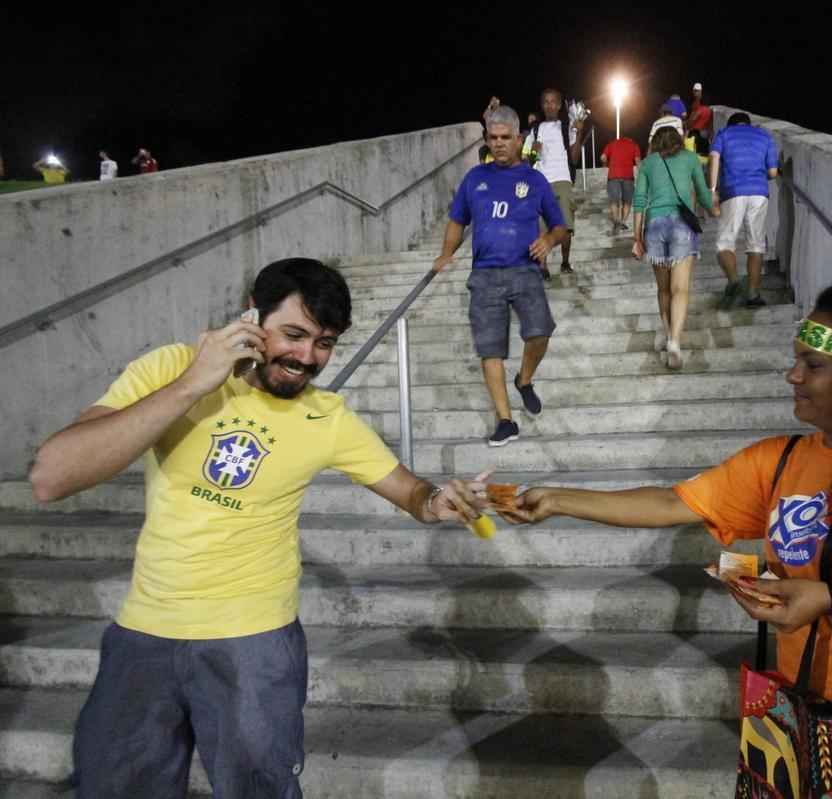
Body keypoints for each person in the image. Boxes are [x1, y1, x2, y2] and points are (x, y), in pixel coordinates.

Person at [503, 281, 832, 768]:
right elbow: (673, 503)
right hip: (805, 734)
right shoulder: (781, 461)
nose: (793, 376)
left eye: (813, 366)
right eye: (795, 360)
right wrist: (558, 499)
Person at [28, 257, 490, 797]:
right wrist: (192, 385)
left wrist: (440, 501)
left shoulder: (327, 416)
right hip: (143, 634)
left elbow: (412, 492)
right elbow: (51, 477)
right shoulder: (171, 367)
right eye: (293, 335)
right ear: (252, 316)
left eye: (324, 343)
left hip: (254, 645)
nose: (306, 358)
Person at [437, 105, 567, 447]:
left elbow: (560, 226)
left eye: (505, 138)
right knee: (490, 349)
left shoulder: (534, 180)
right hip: (484, 275)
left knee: (540, 332)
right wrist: (446, 253)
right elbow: (456, 221)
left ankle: (524, 380)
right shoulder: (474, 179)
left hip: (525, 270)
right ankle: (505, 420)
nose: (498, 144)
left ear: (519, 139)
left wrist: (549, 241)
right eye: (492, 138)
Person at [632, 126, 716, 369]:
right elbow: (701, 192)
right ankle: (675, 342)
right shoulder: (690, 159)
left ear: (655, 142)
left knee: (664, 290)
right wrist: (714, 209)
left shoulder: (648, 163)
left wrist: (636, 237)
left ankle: (668, 332)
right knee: (680, 289)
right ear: (679, 140)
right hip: (681, 226)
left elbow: (639, 201)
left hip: (655, 226)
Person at [709, 112, 780, 310]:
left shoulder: (724, 134)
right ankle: (753, 294)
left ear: (731, 124)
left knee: (724, 243)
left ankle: (734, 281)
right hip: (759, 193)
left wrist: (712, 190)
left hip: (732, 191)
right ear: (749, 124)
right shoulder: (765, 136)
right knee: (756, 245)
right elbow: (773, 173)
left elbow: (714, 158)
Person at [525, 88, 587, 279]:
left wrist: (579, 133)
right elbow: (528, 162)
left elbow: (575, 158)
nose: (550, 105)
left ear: (560, 105)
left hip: (562, 180)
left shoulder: (567, 126)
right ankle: (542, 266)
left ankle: (565, 261)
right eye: (546, 102)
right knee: (542, 226)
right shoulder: (535, 131)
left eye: (554, 102)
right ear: (542, 105)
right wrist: (534, 151)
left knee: (566, 224)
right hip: (541, 182)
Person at [601, 134, 641, 234]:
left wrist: (605, 165)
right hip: (628, 177)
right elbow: (638, 162)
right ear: (629, 138)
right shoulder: (634, 145)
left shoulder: (611, 144)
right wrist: (643, 174)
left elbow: (603, 157)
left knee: (614, 201)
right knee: (627, 202)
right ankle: (623, 222)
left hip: (613, 176)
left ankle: (616, 221)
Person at [685, 82, 713, 155]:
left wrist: (686, 125)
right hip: (705, 135)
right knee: (703, 155)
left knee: (693, 155)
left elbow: (691, 120)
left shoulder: (699, 109)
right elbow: (710, 125)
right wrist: (710, 137)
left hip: (695, 134)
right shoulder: (709, 110)